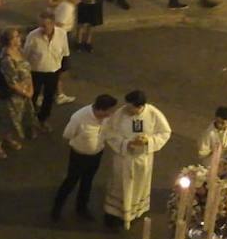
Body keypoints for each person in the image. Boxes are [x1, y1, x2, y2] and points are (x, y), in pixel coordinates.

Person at [103, 90, 172, 228]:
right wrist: (126, 143)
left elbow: (165, 132)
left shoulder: (153, 113)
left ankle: (134, 212)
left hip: (142, 159)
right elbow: (109, 131)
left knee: (138, 186)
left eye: (131, 107)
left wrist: (148, 141)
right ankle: (114, 213)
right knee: (119, 184)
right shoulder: (120, 113)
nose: (127, 109)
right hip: (124, 158)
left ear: (140, 106)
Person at [52, 93, 116, 221]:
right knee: (70, 182)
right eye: (108, 111)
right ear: (100, 109)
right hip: (79, 156)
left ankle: (81, 208)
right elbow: (68, 134)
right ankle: (56, 209)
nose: (110, 114)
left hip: (96, 155)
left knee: (87, 182)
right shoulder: (79, 117)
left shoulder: (106, 118)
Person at [24, 10, 71, 130]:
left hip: (53, 71)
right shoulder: (33, 36)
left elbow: (65, 52)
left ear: (52, 23)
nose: (42, 28)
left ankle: (43, 119)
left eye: (45, 25)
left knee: (49, 96)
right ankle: (30, 120)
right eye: (40, 25)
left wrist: (63, 69)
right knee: (33, 96)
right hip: (36, 71)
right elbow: (26, 55)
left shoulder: (61, 34)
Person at [0, 27, 36, 157]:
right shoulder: (7, 59)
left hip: (24, 93)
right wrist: (25, 92)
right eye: (16, 37)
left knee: (17, 120)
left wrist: (31, 88)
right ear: (9, 41)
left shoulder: (19, 51)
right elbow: (11, 82)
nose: (19, 39)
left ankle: (8, 138)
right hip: (14, 96)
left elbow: (27, 71)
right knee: (8, 120)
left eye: (18, 36)